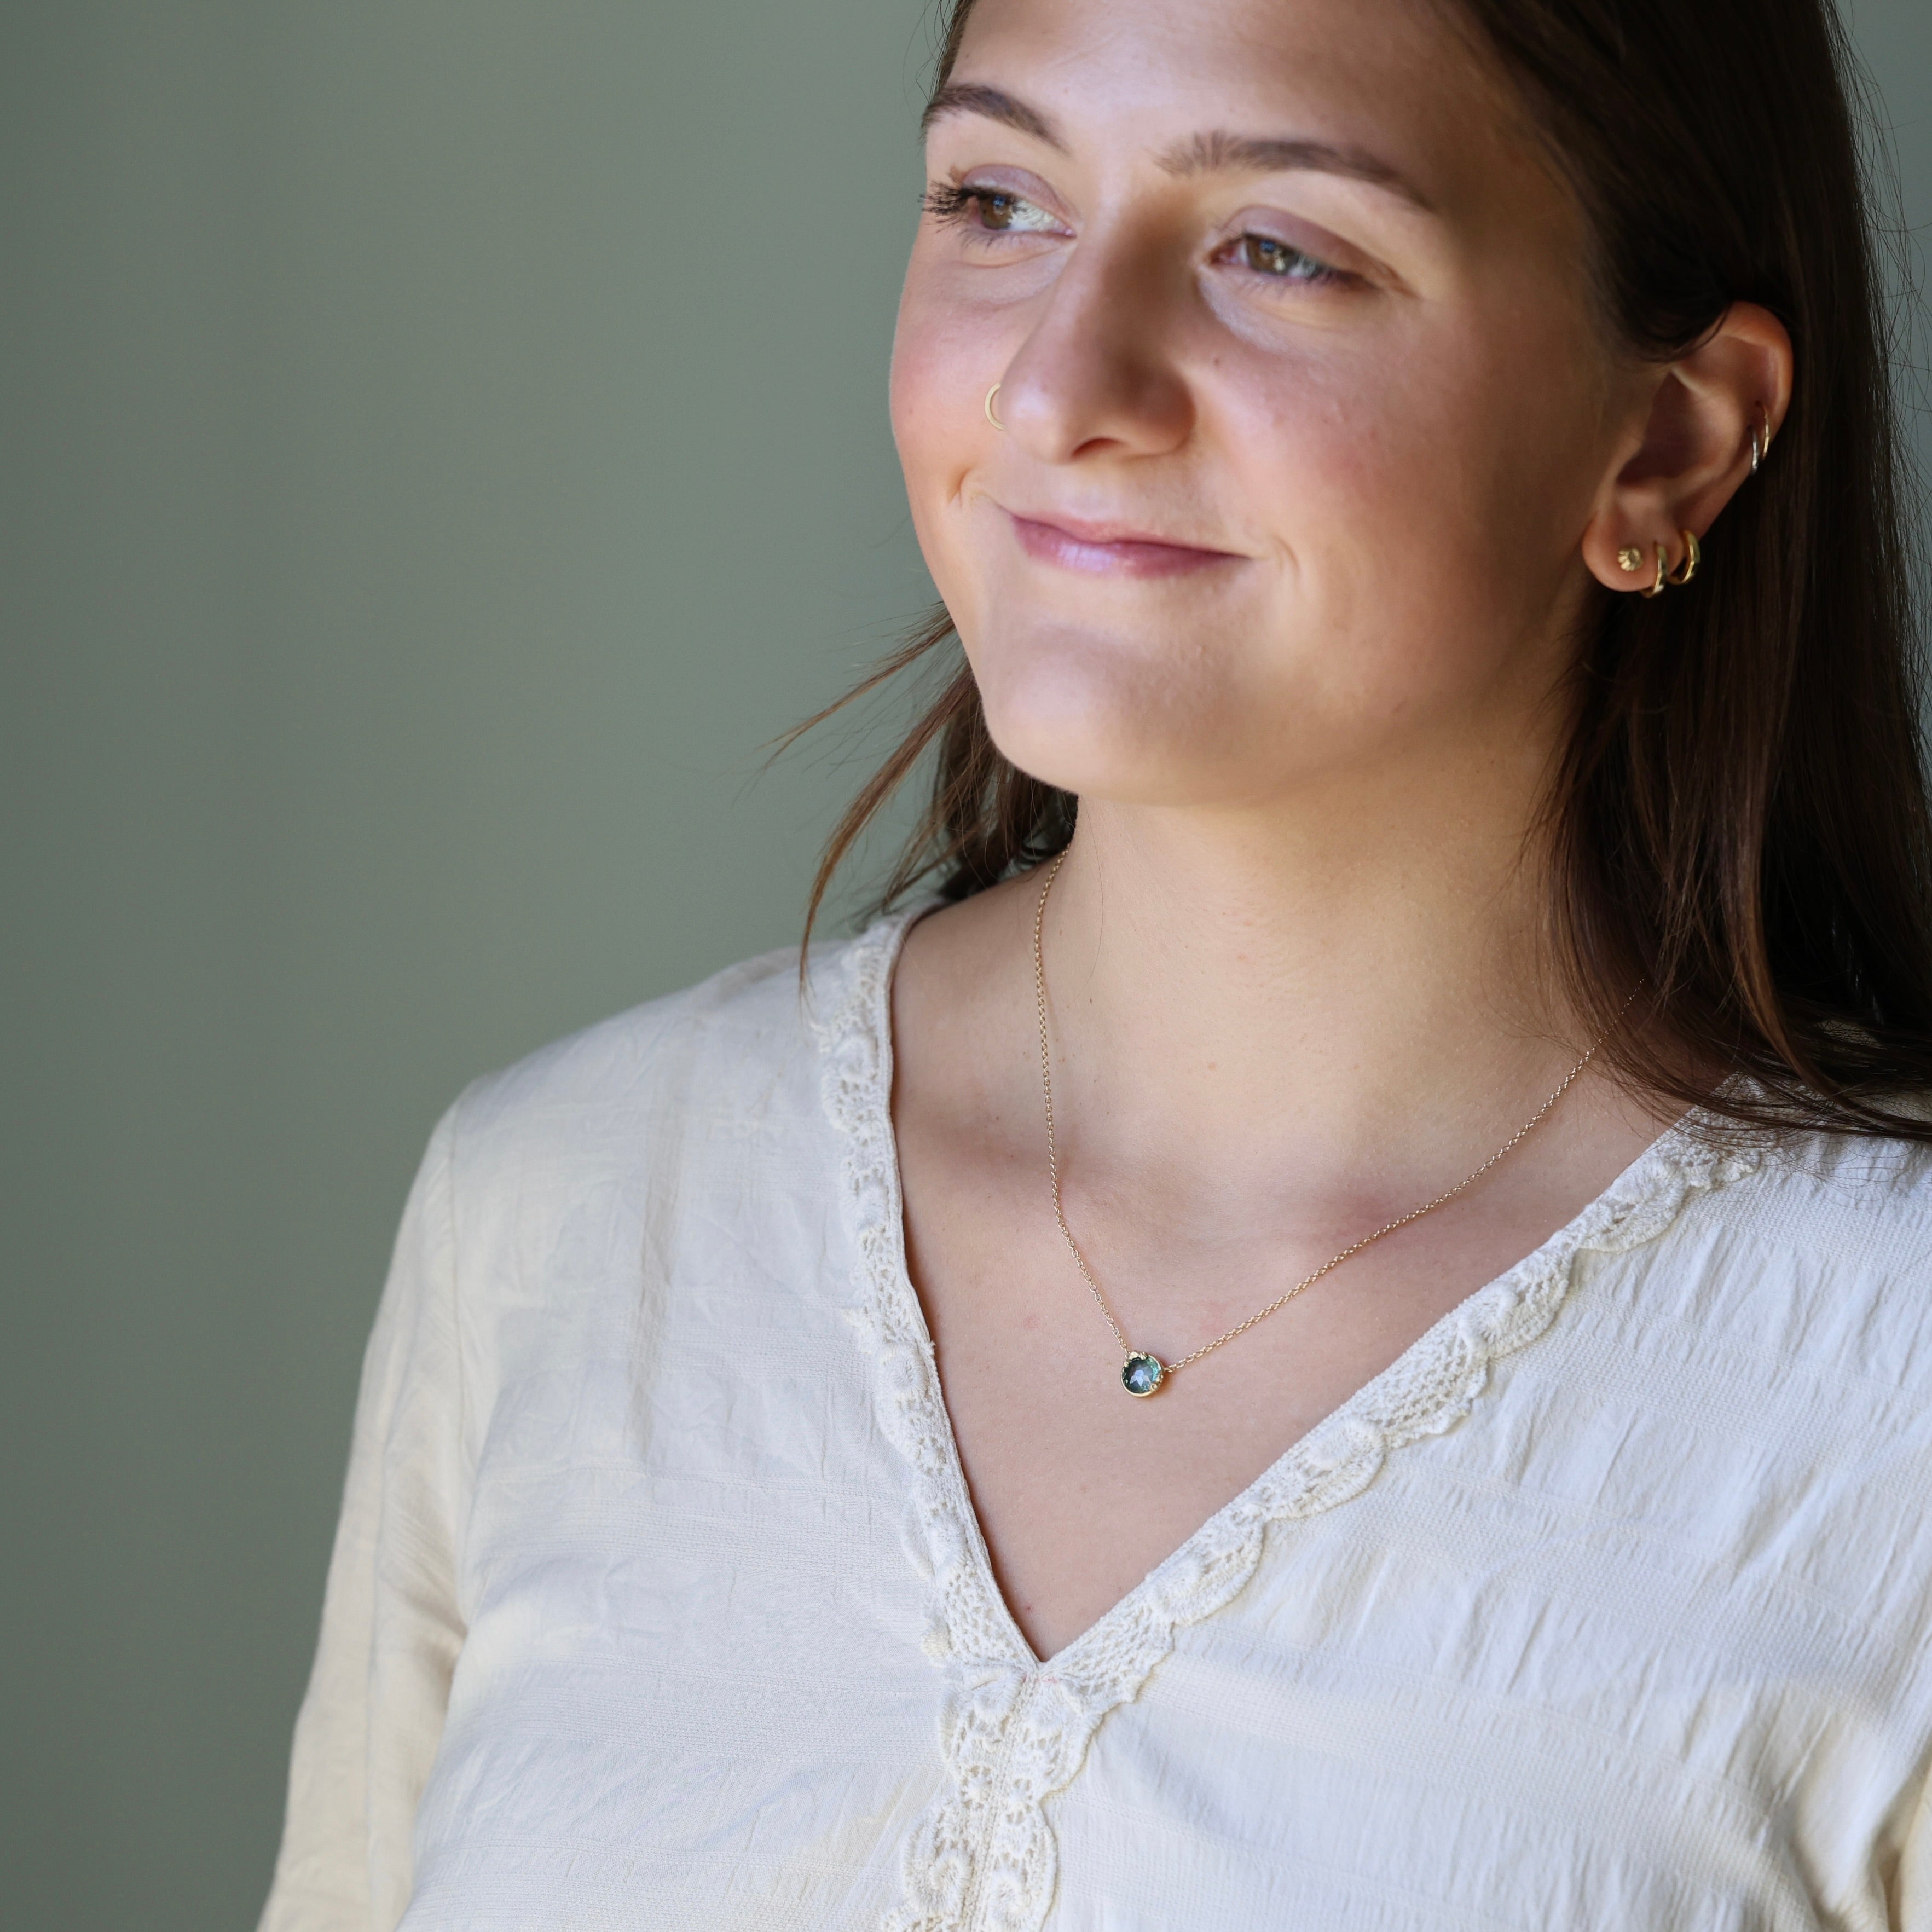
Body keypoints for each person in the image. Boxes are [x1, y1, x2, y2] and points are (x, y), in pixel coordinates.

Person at [258, 0, 1932, 1925]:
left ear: (1664, 441)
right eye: (996, 199)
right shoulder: (561, 1212)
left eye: (1277, 250)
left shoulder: (1875, 1388)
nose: (1063, 384)